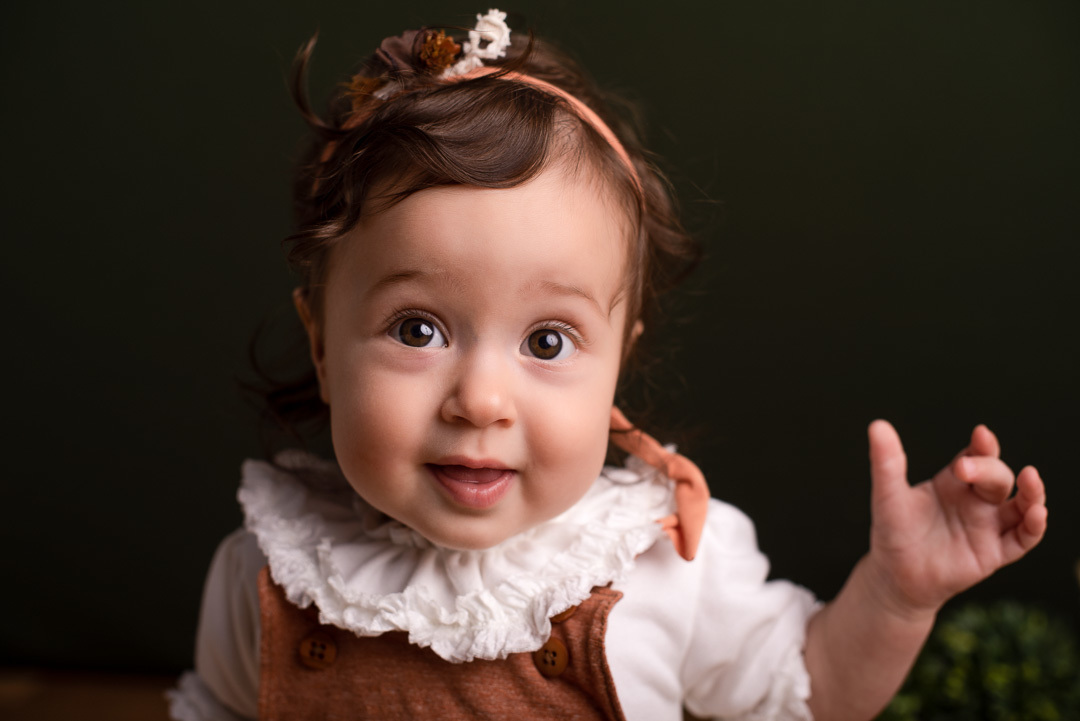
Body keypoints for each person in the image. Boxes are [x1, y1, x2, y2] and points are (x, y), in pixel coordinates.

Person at [167, 10, 1048, 721]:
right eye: (418, 329)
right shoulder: (271, 570)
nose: (481, 400)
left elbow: (809, 695)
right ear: (323, 345)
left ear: (617, 366)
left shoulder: (665, 564)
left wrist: (895, 598)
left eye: (547, 341)